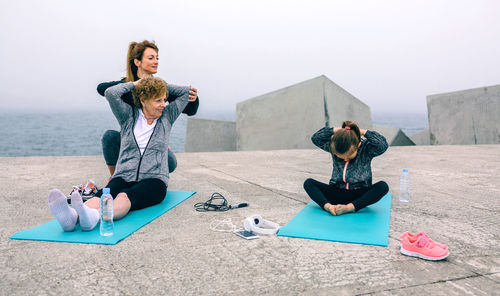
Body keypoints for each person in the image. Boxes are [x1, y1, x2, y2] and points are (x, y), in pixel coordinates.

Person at [48, 77, 191, 231]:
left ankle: (93, 216)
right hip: (124, 175)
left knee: (124, 196)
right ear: (143, 100)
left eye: (164, 99)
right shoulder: (128, 116)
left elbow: (186, 92)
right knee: (102, 195)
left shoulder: (167, 117)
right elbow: (110, 93)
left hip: (154, 180)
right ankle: (72, 217)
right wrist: (137, 84)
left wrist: (159, 86)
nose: (164, 104)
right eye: (158, 100)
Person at [97, 40, 199, 176]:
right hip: (130, 142)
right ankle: (115, 179)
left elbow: (191, 110)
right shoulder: (126, 86)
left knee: (170, 162)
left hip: (153, 142)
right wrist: (134, 84)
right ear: (137, 62)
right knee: (109, 137)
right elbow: (102, 88)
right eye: (151, 58)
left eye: (157, 58)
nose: (156, 61)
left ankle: (145, 178)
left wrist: (193, 97)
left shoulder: (160, 88)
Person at [303, 120, 389, 216]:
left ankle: (350, 208)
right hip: (336, 192)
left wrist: (360, 131)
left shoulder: (366, 150)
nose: (345, 159)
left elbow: (382, 144)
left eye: (349, 156)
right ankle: (328, 206)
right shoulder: (334, 146)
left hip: (359, 195)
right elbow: (316, 138)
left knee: (383, 186)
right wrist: (339, 131)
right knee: (308, 183)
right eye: (341, 156)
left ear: (358, 145)